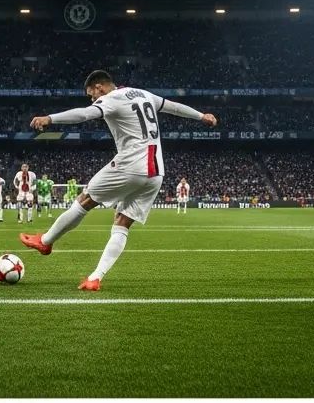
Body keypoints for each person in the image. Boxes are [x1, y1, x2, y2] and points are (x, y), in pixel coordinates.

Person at [19, 70, 217, 290]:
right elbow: (173, 107)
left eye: (91, 94)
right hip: (156, 173)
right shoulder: (143, 94)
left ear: (99, 87)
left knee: (85, 201)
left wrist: (50, 118)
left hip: (130, 165)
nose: (92, 99)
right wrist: (201, 116)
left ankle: (45, 242)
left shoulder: (111, 98)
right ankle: (95, 278)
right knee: (122, 224)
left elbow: (84, 114)